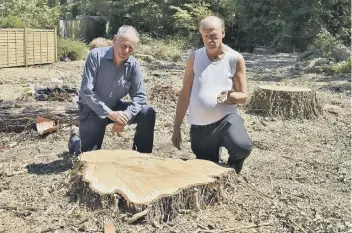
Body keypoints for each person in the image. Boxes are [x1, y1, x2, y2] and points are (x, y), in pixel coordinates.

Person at [171, 16, 252, 174]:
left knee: (242, 147)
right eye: (205, 36)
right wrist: (176, 128)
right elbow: (185, 93)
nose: (209, 40)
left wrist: (231, 97)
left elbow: (244, 96)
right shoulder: (195, 58)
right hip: (200, 127)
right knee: (206, 167)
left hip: (226, 121)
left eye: (213, 35)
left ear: (222, 33)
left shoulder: (235, 59)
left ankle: (233, 169)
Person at [69, 25, 156, 155]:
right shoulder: (96, 56)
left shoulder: (133, 65)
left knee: (147, 113)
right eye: (123, 45)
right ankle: (75, 141)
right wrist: (110, 114)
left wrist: (126, 116)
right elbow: (87, 91)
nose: (126, 51)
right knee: (87, 155)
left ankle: (142, 157)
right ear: (115, 40)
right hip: (92, 110)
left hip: (115, 106)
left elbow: (140, 96)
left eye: (130, 48)